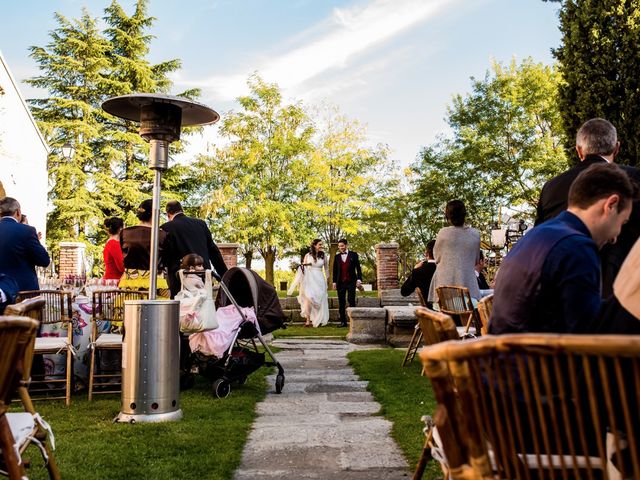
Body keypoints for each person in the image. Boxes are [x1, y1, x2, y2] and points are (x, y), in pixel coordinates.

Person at [490, 163, 634, 335]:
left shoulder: (532, 237)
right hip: (542, 359)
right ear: (611, 205)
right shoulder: (577, 248)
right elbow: (589, 338)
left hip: (504, 356)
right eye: (622, 223)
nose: (615, 237)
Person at [535, 118, 640, 297]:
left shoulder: (552, 188)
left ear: (579, 150)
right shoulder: (636, 179)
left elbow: (541, 242)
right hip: (624, 300)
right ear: (617, 148)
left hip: (564, 299)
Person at [160, 200, 228, 299]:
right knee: (204, 306)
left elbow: (165, 255)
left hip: (180, 278)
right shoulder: (201, 224)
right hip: (204, 274)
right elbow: (214, 252)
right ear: (181, 210)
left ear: (168, 214)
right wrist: (224, 275)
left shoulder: (166, 227)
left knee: (182, 310)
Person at [427, 200, 481, 304]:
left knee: (444, 317)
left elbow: (437, 258)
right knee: (468, 316)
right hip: (468, 291)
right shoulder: (475, 234)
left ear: (448, 216)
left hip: (443, 291)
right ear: (464, 214)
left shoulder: (443, 233)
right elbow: (476, 261)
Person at [119, 199, 169, 294]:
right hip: (155, 281)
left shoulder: (125, 233)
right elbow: (166, 259)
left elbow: (123, 254)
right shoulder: (162, 235)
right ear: (155, 215)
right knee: (157, 308)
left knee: (130, 307)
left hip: (130, 280)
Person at [0, 197, 50, 291]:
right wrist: (37, 242)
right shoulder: (27, 231)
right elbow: (44, 261)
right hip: (23, 294)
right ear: (18, 212)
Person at [288, 239, 329, 328]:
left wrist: (328, 279)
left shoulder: (324, 256)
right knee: (308, 298)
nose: (321, 246)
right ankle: (308, 320)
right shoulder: (308, 255)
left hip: (320, 279)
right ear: (314, 245)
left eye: (322, 244)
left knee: (320, 298)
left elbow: (326, 268)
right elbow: (304, 267)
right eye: (319, 244)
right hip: (309, 279)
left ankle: (320, 318)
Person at [331, 238, 362, 328]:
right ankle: (343, 322)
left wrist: (359, 279)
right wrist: (334, 282)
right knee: (341, 302)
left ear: (346, 245)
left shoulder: (354, 255)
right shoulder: (337, 257)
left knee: (351, 299)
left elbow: (358, 268)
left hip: (351, 281)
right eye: (339, 246)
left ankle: (353, 322)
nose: (341, 248)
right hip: (340, 282)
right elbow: (335, 271)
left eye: (342, 246)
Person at [400, 239, 436, 307]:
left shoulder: (418, 271)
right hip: (452, 313)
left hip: (431, 312)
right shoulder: (448, 269)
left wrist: (415, 269)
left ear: (426, 253)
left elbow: (404, 291)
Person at [103, 217, 125, 281]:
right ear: (120, 229)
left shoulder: (109, 242)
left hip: (110, 280)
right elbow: (122, 267)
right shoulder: (114, 244)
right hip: (114, 281)